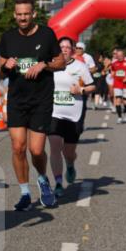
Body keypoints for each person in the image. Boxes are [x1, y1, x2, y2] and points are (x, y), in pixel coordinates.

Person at [0, 0, 65, 210]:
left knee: (36, 150)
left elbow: (61, 62)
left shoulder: (46, 34)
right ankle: (25, 193)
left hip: (41, 100)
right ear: (15, 15)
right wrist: (6, 65)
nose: (23, 18)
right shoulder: (8, 37)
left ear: (33, 14)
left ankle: (43, 179)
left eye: (26, 14)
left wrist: (44, 65)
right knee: (18, 147)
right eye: (19, 14)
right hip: (17, 100)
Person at [49, 37, 96, 197]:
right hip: (54, 112)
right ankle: (58, 183)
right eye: (61, 46)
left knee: (68, 152)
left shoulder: (80, 67)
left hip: (74, 114)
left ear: (73, 50)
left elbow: (92, 85)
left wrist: (81, 90)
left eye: (67, 47)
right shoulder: (51, 65)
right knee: (55, 147)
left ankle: (70, 164)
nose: (64, 49)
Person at [109, 47, 126, 123]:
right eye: (118, 55)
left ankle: (125, 112)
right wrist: (113, 74)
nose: (119, 57)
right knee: (118, 100)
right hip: (117, 83)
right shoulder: (114, 62)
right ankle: (119, 117)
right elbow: (112, 70)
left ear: (124, 55)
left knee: (125, 101)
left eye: (121, 55)